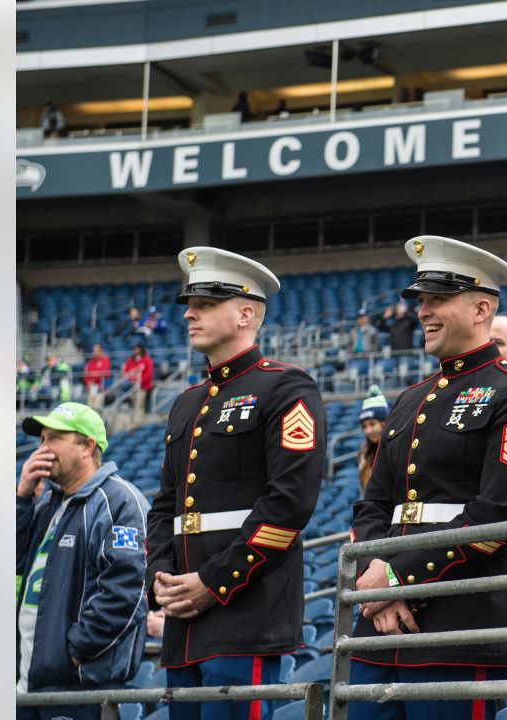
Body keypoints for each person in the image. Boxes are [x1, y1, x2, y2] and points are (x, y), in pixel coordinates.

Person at [349, 235, 507, 720]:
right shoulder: (410, 399)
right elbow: (373, 505)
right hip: (379, 630)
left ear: (482, 307)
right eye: (421, 300)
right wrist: (376, 584)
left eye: (438, 298)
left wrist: (399, 578)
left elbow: (498, 512)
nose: (424, 310)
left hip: (460, 620)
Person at [146, 247, 326, 720]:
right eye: (190, 303)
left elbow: (289, 503)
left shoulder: (286, 387)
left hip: (245, 607)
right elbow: (165, 504)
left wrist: (214, 582)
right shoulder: (185, 402)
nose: (189, 313)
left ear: (246, 313)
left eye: (204, 304)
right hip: (183, 619)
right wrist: (159, 580)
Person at [17, 403, 150, 720]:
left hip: (79, 689)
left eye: (54, 438)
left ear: (88, 446)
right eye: (42, 440)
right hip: (27, 682)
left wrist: (75, 652)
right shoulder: (44, 502)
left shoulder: (119, 501)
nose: (43, 449)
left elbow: (125, 591)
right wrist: (21, 500)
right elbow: (13, 566)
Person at [356, 385, 389, 493]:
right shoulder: (363, 453)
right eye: (364, 426)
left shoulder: (398, 449)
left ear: (384, 423)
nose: (368, 431)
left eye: (372, 424)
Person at [121, 345, 154, 413]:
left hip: (142, 387)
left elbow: (148, 374)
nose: (136, 351)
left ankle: (139, 418)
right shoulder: (131, 360)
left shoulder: (147, 360)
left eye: (138, 350)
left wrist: (139, 383)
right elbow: (126, 372)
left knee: (139, 404)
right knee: (132, 403)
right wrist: (132, 381)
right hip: (131, 386)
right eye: (135, 350)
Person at [84, 343, 111, 408]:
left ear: (101, 351)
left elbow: (105, 373)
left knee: (97, 407)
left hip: (100, 387)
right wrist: (89, 383)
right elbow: (86, 375)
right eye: (94, 351)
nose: (95, 352)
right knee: (90, 408)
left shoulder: (105, 359)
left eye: (97, 351)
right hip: (91, 388)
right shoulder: (90, 362)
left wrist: (94, 380)